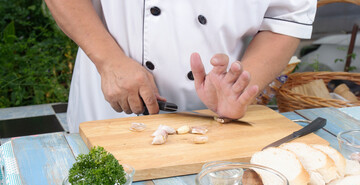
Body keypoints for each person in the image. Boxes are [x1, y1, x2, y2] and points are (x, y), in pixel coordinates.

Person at [44, 0, 317, 133]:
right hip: (108, 114)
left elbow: (284, 19)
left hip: (216, 123)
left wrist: (238, 85)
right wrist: (109, 61)